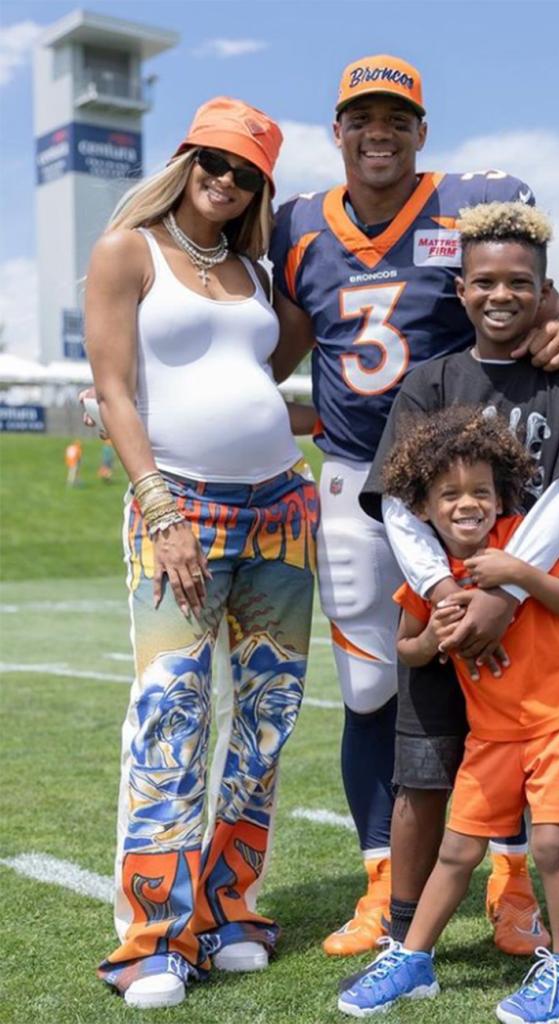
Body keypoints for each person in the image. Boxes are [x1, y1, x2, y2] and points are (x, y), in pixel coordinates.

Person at [269, 52, 559, 959]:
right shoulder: (299, 225)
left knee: (516, 681)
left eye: (397, 119)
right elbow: (296, 344)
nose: (380, 133)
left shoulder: (469, 206)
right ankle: (383, 882)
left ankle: (513, 877)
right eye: (362, 119)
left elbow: (551, 312)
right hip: (349, 477)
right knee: (372, 685)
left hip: (470, 489)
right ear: (337, 131)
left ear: (422, 131)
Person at [357, 201, 559, 1003]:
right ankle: (406, 943)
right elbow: (400, 504)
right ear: (462, 287)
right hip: (445, 612)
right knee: (425, 779)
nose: (501, 295)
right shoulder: (430, 381)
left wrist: (506, 590)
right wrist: (445, 591)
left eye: (521, 282)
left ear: (546, 289)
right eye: (485, 282)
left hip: (535, 619)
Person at [84, 97, 319, 1010]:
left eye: (246, 174)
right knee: (170, 715)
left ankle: (228, 910)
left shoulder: (259, 275)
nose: (225, 182)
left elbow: (260, 376)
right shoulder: (126, 252)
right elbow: (113, 390)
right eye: (213, 163)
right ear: (186, 160)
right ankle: (152, 939)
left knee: (267, 720)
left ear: (262, 188)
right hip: (178, 510)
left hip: (282, 511)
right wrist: (157, 505)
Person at [339, 407, 559, 1024]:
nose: (467, 504)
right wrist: (431, 640)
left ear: (500, 494)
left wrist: (518, 575)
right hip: (491, 738)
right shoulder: (426, 576)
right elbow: (407, 646)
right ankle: (412, 959)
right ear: (424, 508)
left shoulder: (519, 541)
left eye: (480, 491)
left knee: (554, 844)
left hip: (558, 723)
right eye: (449, 494)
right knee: (457, 852)